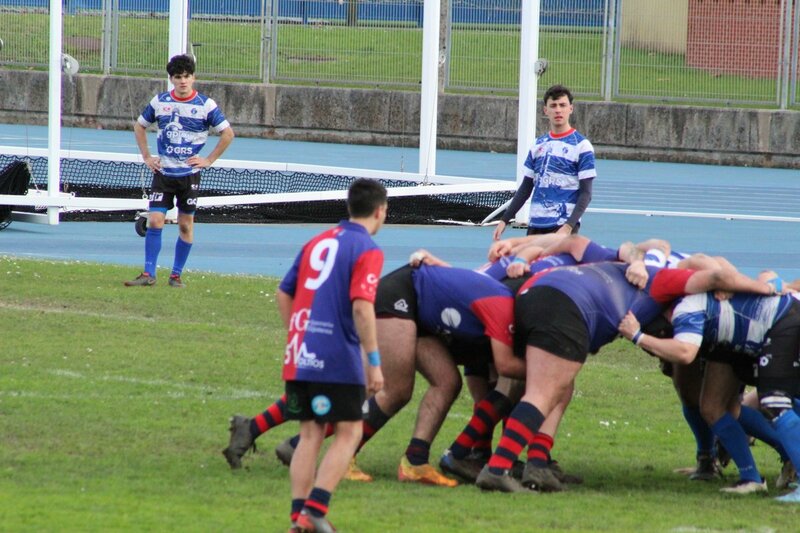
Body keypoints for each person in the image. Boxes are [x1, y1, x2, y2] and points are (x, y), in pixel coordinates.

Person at [475, 257, 780, 493]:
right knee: (542, 392)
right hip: (567, 304)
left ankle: (538, 464)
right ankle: (497, 469)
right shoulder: (665, 279)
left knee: (560, 387)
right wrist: (765, 288)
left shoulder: (621, 267)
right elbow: (716, 275)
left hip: (534, 295)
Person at [619, 284, 800, 502]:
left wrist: (638, 336)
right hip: (734, 338)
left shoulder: (686, 307)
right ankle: (752, 476)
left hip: (777, 322)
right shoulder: (682, 304)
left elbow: (685, 353)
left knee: (775, 402)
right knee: (717, 407)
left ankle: (786, 463)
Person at [280, 178, 387, 533]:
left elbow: (284, 293)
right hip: (336, 359)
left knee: (310, 434)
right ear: (380, 211)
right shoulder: (367, 249)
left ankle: (298, 520)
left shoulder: (317, 241)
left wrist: (298, 335)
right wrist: (374, 363)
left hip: (301, 355)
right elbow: (362, 307)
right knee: (350, 431)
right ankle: (315, 510)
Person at [125, 54, 234, 288]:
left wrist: (208, 160)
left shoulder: (205, 105)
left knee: (185, 225)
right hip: (163, 175)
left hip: (189, 176)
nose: (183, 81)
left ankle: (175, 276)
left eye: (186, 76)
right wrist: (147, 157)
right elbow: (139, 126)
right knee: (155, 220)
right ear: (171, 79)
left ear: (193, 77)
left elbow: (228, 134)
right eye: (178, 77)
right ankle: (148, 273)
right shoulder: (160, 102)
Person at [492, 84, 595, 240]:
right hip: (536, 225)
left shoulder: (582, 146)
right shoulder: (537, 145)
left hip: (562, 225)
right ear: (546, 110)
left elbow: (586, 194)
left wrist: (568, 226)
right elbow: (526, 188)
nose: (558, 110)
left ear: (571, 109)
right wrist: (504, 219)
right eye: (553, 106)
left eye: (562, 105)